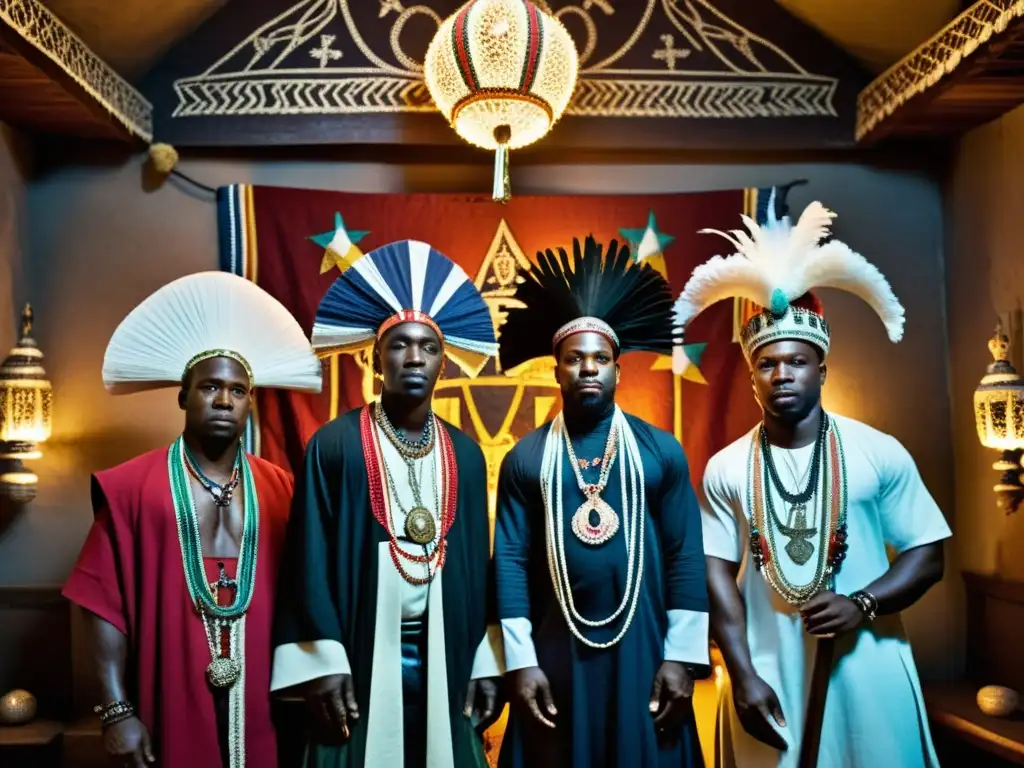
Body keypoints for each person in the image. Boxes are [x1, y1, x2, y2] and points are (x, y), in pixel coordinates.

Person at [673, 195, 950, 767]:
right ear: (752, 377)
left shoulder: (877, 451)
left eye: (796, 362)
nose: (782, 374)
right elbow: (716, 575)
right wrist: (742, 675)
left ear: (822, 368)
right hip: (768, 669)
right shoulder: (727, 466)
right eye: (767, 364)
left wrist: (864, 603)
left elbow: (928, 553)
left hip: (866, 658)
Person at [63, 271, 323, 768]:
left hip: (265, 694)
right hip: (168, 684)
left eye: (237, 390)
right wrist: (117, 710)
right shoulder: (133, 488)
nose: (223, 400)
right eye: (209, 387)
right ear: (183, 395)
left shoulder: (282, 488)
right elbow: (101, 602)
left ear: (251, 401)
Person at [270, 240, 505, 768]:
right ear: (376, 358)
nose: (415, 356)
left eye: (428, 346)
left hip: (445, 651)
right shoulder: (334, 445)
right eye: (399, 344)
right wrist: (324, 662)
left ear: (445, 362)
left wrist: (485, 662)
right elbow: (308, 560)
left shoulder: (466, 455)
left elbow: (476, 568)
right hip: (359, 646)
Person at [493, 236, 710, 768]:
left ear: (618, 369)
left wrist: (682, 657)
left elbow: (685, 552)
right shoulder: (527, 457)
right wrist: (521, 663)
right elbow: (512, 562)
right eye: (574, 358)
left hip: (644, 650)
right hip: (554, 652)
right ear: (555, 369)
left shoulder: (660, 450)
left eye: (601, 358)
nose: (588, 368)